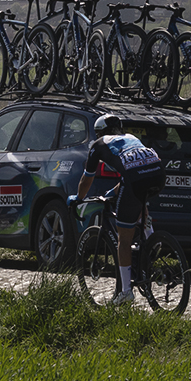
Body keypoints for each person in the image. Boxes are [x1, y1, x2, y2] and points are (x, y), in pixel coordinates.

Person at [68, 114, 165, 306]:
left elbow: (87, 178)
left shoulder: (98, 145)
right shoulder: (130, 138)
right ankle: (149, 234)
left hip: (134, 180)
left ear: (99, 133)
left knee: (124, 238)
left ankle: (126, 291)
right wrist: (113, 191)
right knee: (139, 197)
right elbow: (134, 169)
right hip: (158, 174)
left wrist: (78, 198)